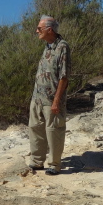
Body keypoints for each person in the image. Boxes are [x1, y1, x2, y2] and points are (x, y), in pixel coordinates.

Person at [28, 15, 71, 176]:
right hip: (37, 98)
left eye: (39, 29)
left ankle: (54, 164)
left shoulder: (62, 47)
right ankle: (37, 161)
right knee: (35, 129)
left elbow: (64, 77)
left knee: (54, 131)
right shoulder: (47, 46)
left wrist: (56, 101)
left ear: (49, 30)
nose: (36, 31)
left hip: (52, 99)